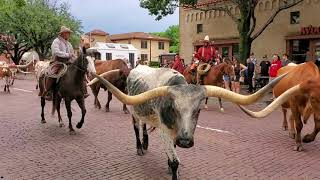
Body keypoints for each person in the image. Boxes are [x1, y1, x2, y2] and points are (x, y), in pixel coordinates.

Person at [40, 26, 89, 99]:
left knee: (80, 71)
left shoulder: (69, 44)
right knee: (52, 74)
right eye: (67, 33)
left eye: (69, 33)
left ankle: (83, 91)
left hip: (68, 62)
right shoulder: (56, 41)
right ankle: (48, 92)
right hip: (57, 62)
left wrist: (76, 60)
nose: (69, 34)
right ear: (62, 33)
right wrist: (68, 55)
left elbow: (72, 54)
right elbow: (56, 52)